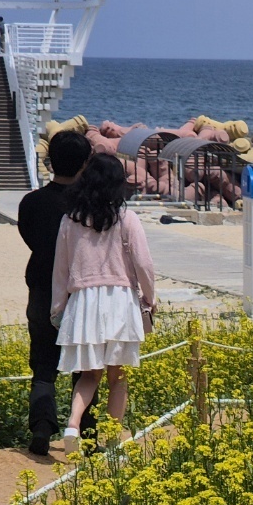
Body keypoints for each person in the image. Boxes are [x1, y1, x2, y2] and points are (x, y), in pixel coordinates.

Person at [51, 153, 156, 453]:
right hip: (119, 301)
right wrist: (150, 298)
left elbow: (61, 268)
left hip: (83, 302)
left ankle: (72, 425)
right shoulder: (127, 218)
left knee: (89, 375)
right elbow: (144, 264)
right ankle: (110, 444)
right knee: (118, 377)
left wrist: (58, 307)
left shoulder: (70, 221)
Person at [19, 129, 95, 456]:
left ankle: (41, 427)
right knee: (86, 365)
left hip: (41, 289)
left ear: (50, 161)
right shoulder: (91, 204)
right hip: (81, 292)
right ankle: (85, 430)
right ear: (84, 163)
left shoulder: (32, 202)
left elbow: (31, 238)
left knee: (43, 363)